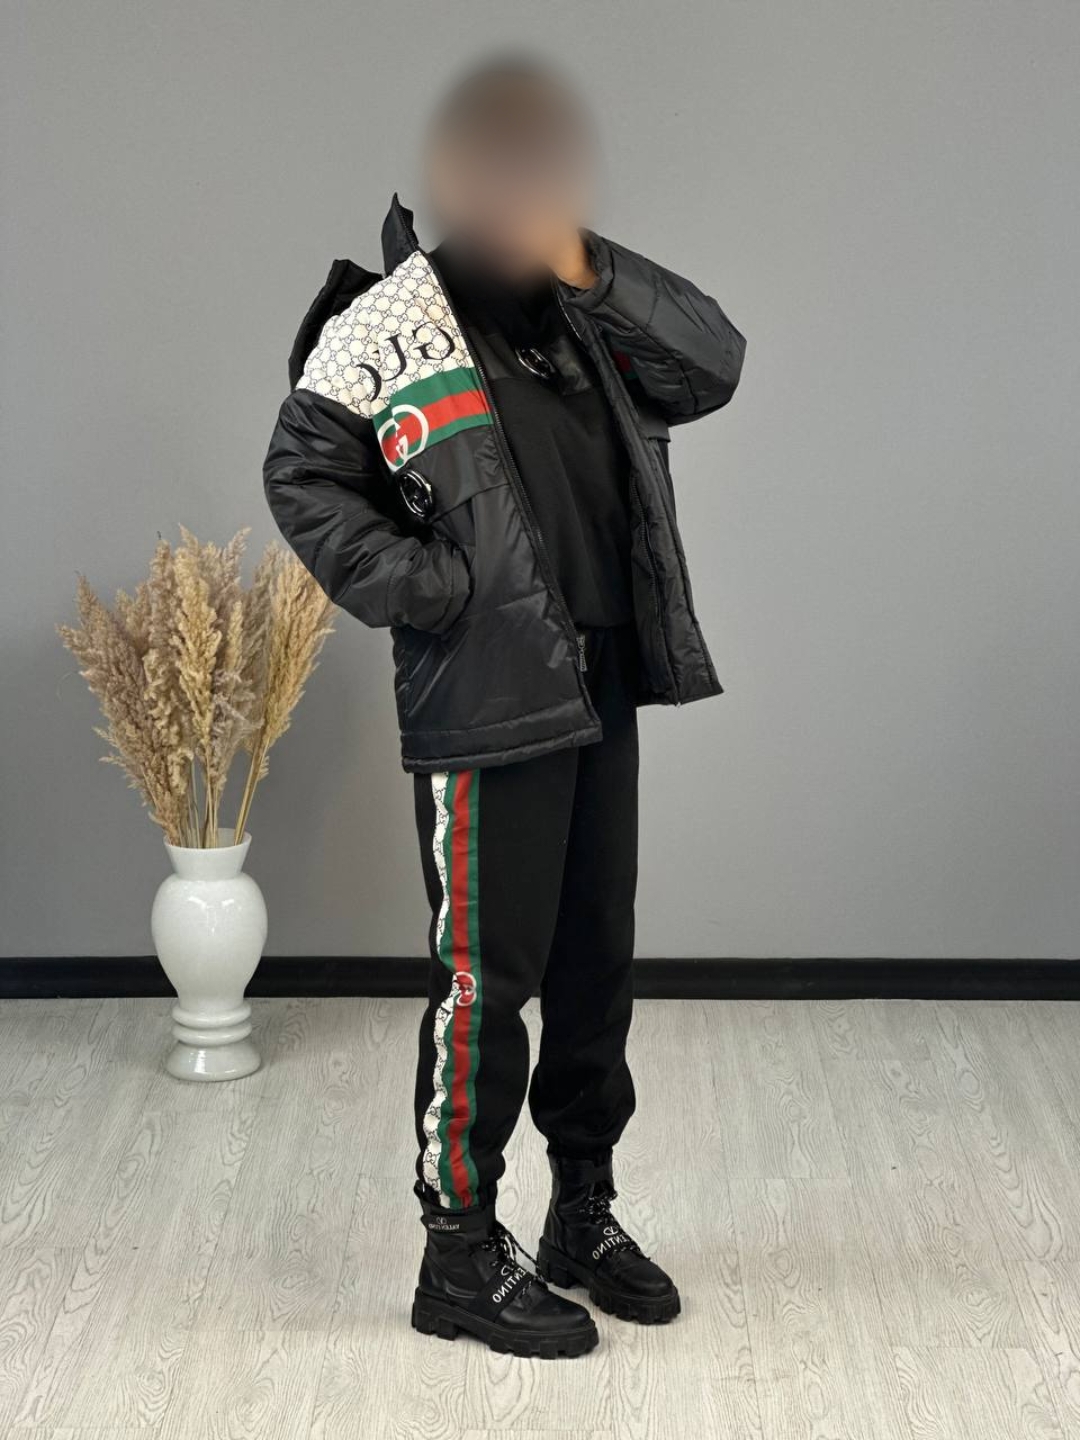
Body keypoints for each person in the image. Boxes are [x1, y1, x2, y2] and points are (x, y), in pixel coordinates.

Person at [262, 52, 746, 1360]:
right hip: (488, 693)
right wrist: (431, 589)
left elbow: (712, 363)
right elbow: (302, 476)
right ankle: (459, 1257)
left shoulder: (581, 306)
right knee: (490, 981)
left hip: (601, 682)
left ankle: (581, 1214)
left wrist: (586, 261)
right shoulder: (388, 324)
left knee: (595, 969)